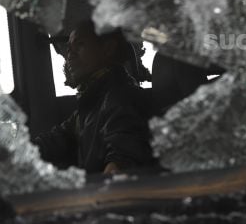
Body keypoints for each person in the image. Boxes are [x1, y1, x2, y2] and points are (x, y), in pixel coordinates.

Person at [33, 21, 161, 174]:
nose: (70, 55)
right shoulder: (92, 103)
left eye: (80, 45)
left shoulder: (121, 99)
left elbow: (123, 157)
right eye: (69, 49)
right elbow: (56, 140)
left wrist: (112, 174)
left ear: (108, 49)